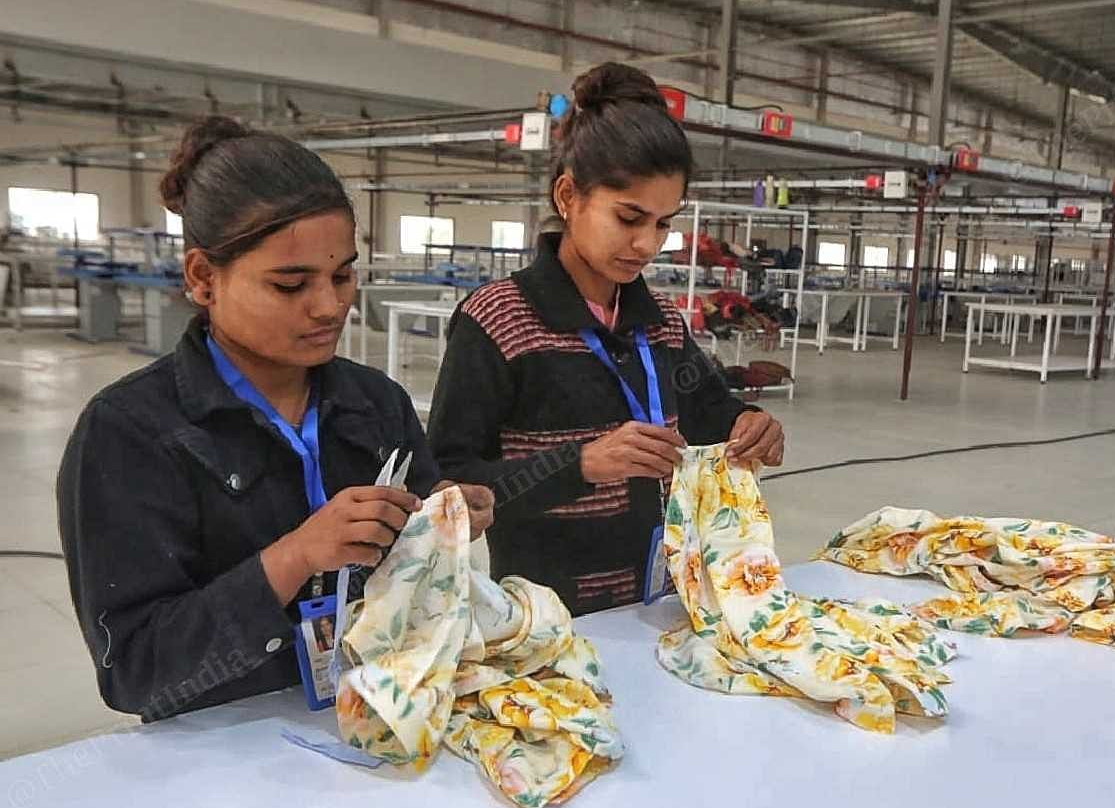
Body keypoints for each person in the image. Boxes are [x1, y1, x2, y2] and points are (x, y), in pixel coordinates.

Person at [56, 117, 494, 722]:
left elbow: (423, 590)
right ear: (204, 278)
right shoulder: (131, 434)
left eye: (342, 275)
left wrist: (444, 523)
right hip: (227, 752)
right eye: (291, 285)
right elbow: (136, 672)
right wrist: (294, 558)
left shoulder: (377, 404)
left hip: (381, 718)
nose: (330, 305)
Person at [427, 63, 784, 616]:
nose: (646, 244)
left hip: (667, 599)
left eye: (664, 224)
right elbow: (449, 486)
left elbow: (710, 410)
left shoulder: (660, 321)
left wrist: (748, 423)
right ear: (569, 196)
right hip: (549, 617)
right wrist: (583, 465)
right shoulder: (498, 320)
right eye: (629, 217)